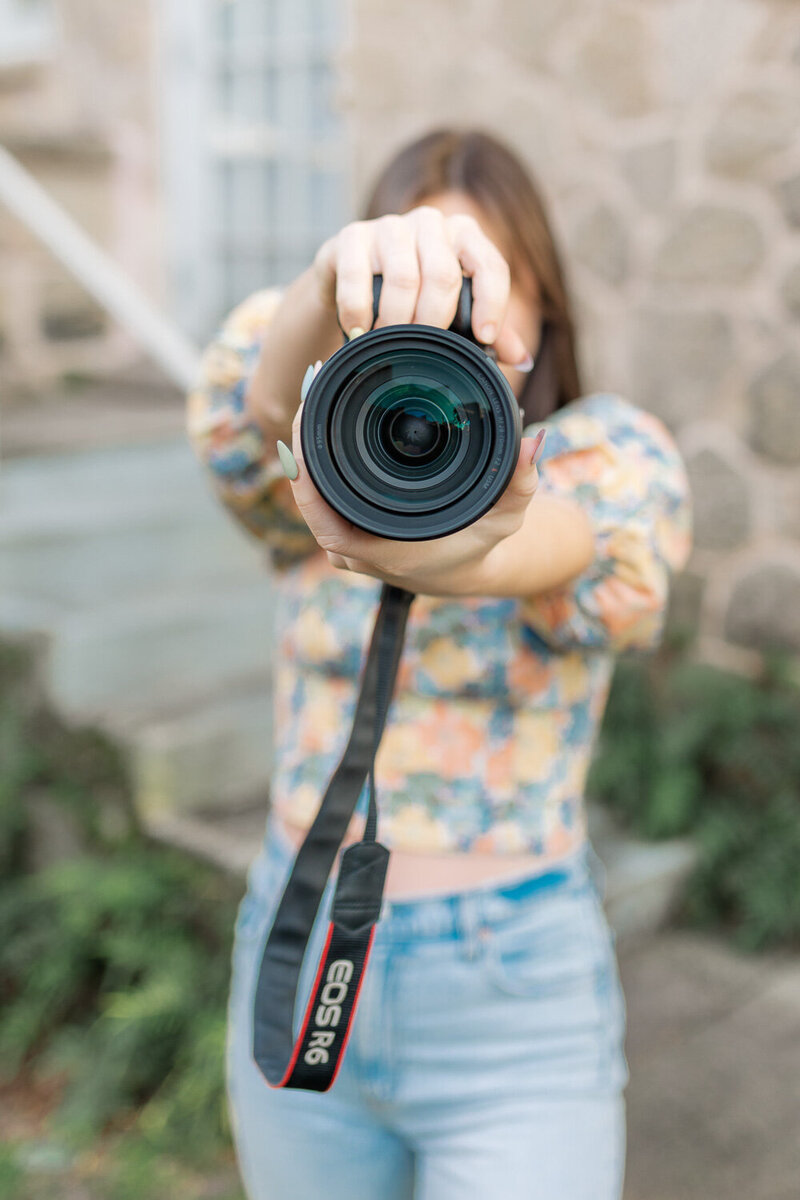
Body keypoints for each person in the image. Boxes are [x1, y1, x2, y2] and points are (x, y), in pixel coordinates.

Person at [186, 128, 693, 1200]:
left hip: (507, 997)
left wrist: (448, 542)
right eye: (422, 272)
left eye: (484, 275)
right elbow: (252, 413)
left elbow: (558, 543)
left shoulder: (604, 454)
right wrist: (329, 279)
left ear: (542, 304)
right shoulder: (313, 452)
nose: (455, 307)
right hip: (299, 933)